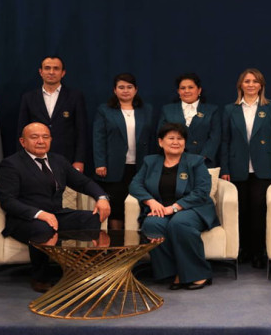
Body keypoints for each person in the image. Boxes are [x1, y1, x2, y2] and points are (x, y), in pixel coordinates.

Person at [0, 122, 111, 292]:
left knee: (90, 218)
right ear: (22, 141)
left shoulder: (58, 160)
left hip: (57, 214)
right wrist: (39, 214)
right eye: (34, 137)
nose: (40, 141)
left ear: (51, 140)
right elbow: (8, 201)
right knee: (42, 227)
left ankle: (85, 271)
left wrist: (101, 197)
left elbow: (83, 183)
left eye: (45, 137)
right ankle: (40, 278)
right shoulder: (11, 164)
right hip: (25, 220)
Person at [129, 123, 219, 290]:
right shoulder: (150, 162)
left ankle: (199, 274)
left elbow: (202, 191)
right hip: (162, 208)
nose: (176, 142)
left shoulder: (196, 162)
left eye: (180, 138)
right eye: (171, 138)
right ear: (160, 142)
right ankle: (173, 272)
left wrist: (175, 207)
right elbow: (135, 185)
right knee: (152, 224)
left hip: (193, 208)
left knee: (179, 223)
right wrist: (150, 201)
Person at [220, 68, 271, 269]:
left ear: (261, 85)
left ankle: (259, 251)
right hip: (236, 167)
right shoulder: (230, 109)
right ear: (241, 85)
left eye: (255, 81)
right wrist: (224, 168)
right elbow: (225, 141)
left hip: (263, 168)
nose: (251, 85)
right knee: (240, 211)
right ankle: (243, 250)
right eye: (247, 81)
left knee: (259, 211)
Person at [92, 73, 153, 231]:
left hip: (140, 165)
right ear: (115, 90)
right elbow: (99, 138)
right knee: (117, 205)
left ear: (136, 89)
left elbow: (152, 138)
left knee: (140, 204)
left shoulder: (146, 109)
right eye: (121, 87)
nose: (125, 90)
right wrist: (100, 163)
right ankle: (116, 241)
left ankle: (138, 240)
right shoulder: (105, 110)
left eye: (129, 87)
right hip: (113, 166)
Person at [17, 56, 88, 172]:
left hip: (67, 158)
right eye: (47, 68)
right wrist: (22, 159)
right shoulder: (28, 97)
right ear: (41, 72)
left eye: (56, 68)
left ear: (63, 73)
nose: (51, 72)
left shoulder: (75, 97)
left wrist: (79, 160)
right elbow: (22, 130)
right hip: (35, 157)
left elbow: (81, 131)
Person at [158, 73, 221, 167]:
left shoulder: (212, 110)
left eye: (190, 87)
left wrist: (201, 158)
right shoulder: (167, 110)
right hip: (174, 162)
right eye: (183, 88)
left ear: (199, 90)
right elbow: (161, 135)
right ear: (178, 91)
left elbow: (215, 137)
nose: (186, 91)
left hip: (204, 163)